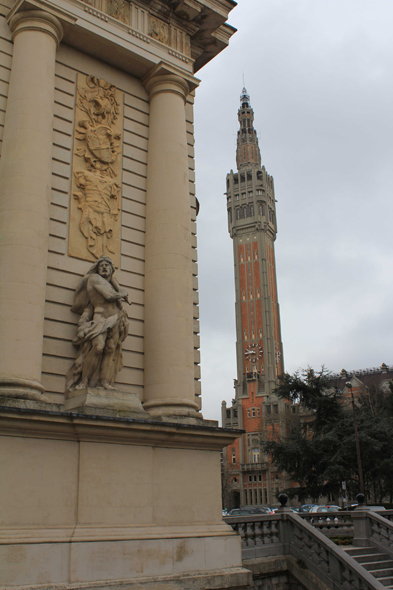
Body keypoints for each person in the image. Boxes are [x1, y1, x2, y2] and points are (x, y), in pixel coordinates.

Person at [66, 256, 130, 392]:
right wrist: (122, 293)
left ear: (112, 269)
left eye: (108, 265)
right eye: (101, 265)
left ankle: (104, 382)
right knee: (98, 347)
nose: (104, 267)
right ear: (97, 268)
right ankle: (84, 381)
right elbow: (108, 296)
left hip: (115, 320)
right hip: (100, 320)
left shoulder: (112, 283)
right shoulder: (94, 279)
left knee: (110, 350)